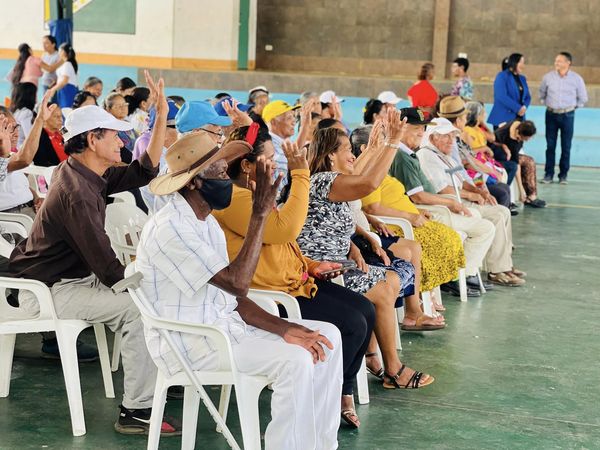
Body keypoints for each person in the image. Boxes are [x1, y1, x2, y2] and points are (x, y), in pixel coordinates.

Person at [137, 131, 343, 450]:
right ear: (195, 183)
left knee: (327, 336)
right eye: (220, 174)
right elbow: (237, 283)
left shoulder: (204, 222)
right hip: (191, 344)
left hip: (224, 330)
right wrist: (260, 214)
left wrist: (286, 328)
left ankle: (320, 445)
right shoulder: (171, 229)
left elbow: (233, 299)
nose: (228, 180)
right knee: (295, 361)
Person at [9, 72, 181, 435]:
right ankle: (137, 412)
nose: (122, 140)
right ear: (92, 139)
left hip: (69, 279)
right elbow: (107, 267)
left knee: (150, 295)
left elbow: (143, 171)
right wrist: (143, 276)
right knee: (139, 310)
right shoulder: (76, 191)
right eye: (114, 134)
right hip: (47, 290)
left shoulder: (84, 172)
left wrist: (161, 116)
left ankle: (161, 376)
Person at [214, 125, 374, 428]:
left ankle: (341, 390)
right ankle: (326, 395)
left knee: (366, 310)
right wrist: (301, 174)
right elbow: (284, 230)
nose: (276, 165)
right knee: (352, 323)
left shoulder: (252, 192)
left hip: (296, 283)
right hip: (271, 295)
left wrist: (311, 265)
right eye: (269, 159)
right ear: (246, 165)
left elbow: (281, 245)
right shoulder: (235, 199)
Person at [298, 112, 435, 391]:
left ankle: (376, 357)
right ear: (331, 155)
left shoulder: (333, 179)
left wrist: (374, 148)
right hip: (321, 270)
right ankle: (393, 369)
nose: (353, 155)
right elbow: (368, 182)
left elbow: (358, 175)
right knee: (384, 288)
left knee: (391, 280)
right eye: (348, 150)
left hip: (339, 262)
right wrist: (393, 141)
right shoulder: (324, 182)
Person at [349, 124, 467, 302]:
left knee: (448, 236)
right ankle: (423, 295)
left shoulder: (379, 168)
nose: (387, 149)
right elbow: (372, 207)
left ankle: (428, 292)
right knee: (433, 242)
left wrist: (417, 211)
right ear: (365, 148)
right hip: (393, 225)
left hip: (404, 219)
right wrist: (410, 216)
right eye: (382, 144)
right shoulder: (368, 172)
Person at [389, 107, 495, 296]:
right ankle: (459, 277)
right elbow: (418, 197)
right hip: (430, 211)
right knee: (485, 228)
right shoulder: (402, 157)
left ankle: (462, 274)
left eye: (423, 128)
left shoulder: (409, 153)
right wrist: (451, 203)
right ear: (402, 128)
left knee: (476, 216)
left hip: (436, 207)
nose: (421, 133)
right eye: (416, 128)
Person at [418, 118, 525, 287]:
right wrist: (471, 195)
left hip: (462, 198)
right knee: (498, 214)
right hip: (451, 203)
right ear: (432, 137)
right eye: (446, 136)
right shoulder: (427, 155)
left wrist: (478, 191)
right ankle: (495, 270)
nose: (451, 141)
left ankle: (504, 265)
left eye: (452, 136)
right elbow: (442, 189)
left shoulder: (444, 155)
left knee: (502, 211)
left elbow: (462, 179)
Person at [539, 51, 588, 184]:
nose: (556, 63)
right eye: (556, 61)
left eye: (559, 61)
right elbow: (542, 94)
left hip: (568, 115)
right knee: (550, 145)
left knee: (566, 146)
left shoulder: (576, 79)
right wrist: (548, 104)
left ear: (568, 63)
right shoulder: (548, 77)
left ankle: (563, 175)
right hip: (551, 115)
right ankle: (548, 174)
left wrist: (572, 108)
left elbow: (583, 98)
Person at [494, 120, 546, 208]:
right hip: (498, 156)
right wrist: (520, 189)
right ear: (522, 135)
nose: (528, 140)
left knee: (530, 161)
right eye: (527, 138)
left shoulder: (518, 127)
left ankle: (531, 196)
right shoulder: (512, 140)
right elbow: (516, 163)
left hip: (507, 154)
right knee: (516, 166)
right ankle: (511, 196)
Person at [488, 53, 530, 128]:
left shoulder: (522, 78)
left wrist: (524, 107)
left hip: (519, 118)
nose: (523, 66)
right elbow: (501, 96)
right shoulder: (502, 76)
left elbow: (528, 97)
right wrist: (518, 108)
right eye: (521, 62)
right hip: (503, 118)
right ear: (514, 62)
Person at [33, 102, 67, 167]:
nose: (61, 120)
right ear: (45, 118)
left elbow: (75, 146)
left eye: (61, 116)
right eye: (56, 116)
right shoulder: (39, 136)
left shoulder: (63, 130)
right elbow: (41, 162)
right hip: (56, 171)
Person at [48, 43, 79, 110]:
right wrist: (55, 84)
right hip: (63, 89)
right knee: (63, 109)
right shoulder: (65, 64)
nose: (58, 53)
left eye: (60, 51)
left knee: (66, 110)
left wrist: (53, 89)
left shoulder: (67, 64)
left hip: (67, 89)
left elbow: (65, 81)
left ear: (63, 52)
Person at [9, 82, 37, 148]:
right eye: (35, 94)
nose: (36, 97)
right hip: (22, 148)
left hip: (15, 147)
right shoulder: (26, 112)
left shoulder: (16, 111)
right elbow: (30, 137)